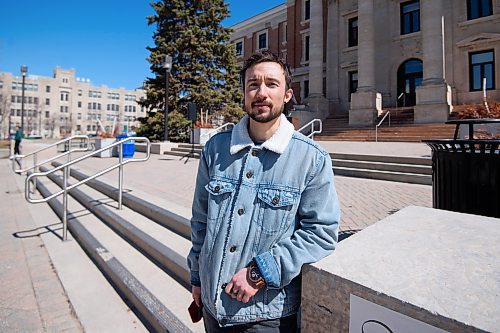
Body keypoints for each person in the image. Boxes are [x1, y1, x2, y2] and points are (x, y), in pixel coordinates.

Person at [187, 50, 340, 332]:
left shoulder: (312, 159)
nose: (261, 92)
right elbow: (200, 221)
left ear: (288, 94)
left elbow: (321, 233)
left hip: (265, 317)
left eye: (271, 84)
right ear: (244, 94)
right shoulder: (215, 149)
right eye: (253, 85)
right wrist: (197, 278)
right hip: (211, 306)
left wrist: (260, 273)